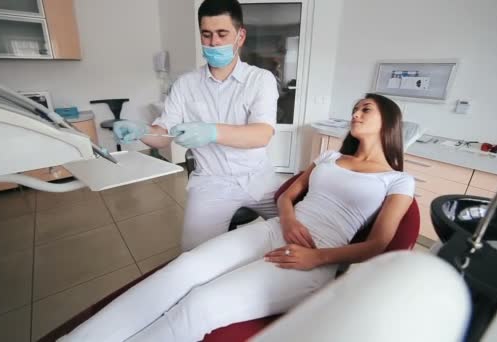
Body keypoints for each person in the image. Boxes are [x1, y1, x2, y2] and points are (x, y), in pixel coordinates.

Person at [59, 93, 416, 342]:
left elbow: (378, 243)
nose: (355, 113)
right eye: (355, 108)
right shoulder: (329, 158)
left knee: (201, 304)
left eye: (365, 109)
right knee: (182, 270)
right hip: (275, 229)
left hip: (313, 256)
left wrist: (317, 257)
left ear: (388, 120)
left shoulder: (397, 180)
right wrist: (288, 220)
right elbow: (289, 193)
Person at [113, 0, 280, 251]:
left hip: (259, 178)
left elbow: (262, 134)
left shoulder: (260, 80)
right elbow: (163, 135)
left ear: (240, 36)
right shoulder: (185, 85)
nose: (213, 43)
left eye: (222, 34)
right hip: (211, 183)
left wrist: (212, 131)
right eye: (206, 34)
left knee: (298, 233)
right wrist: (142, 131)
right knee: (192, 256)